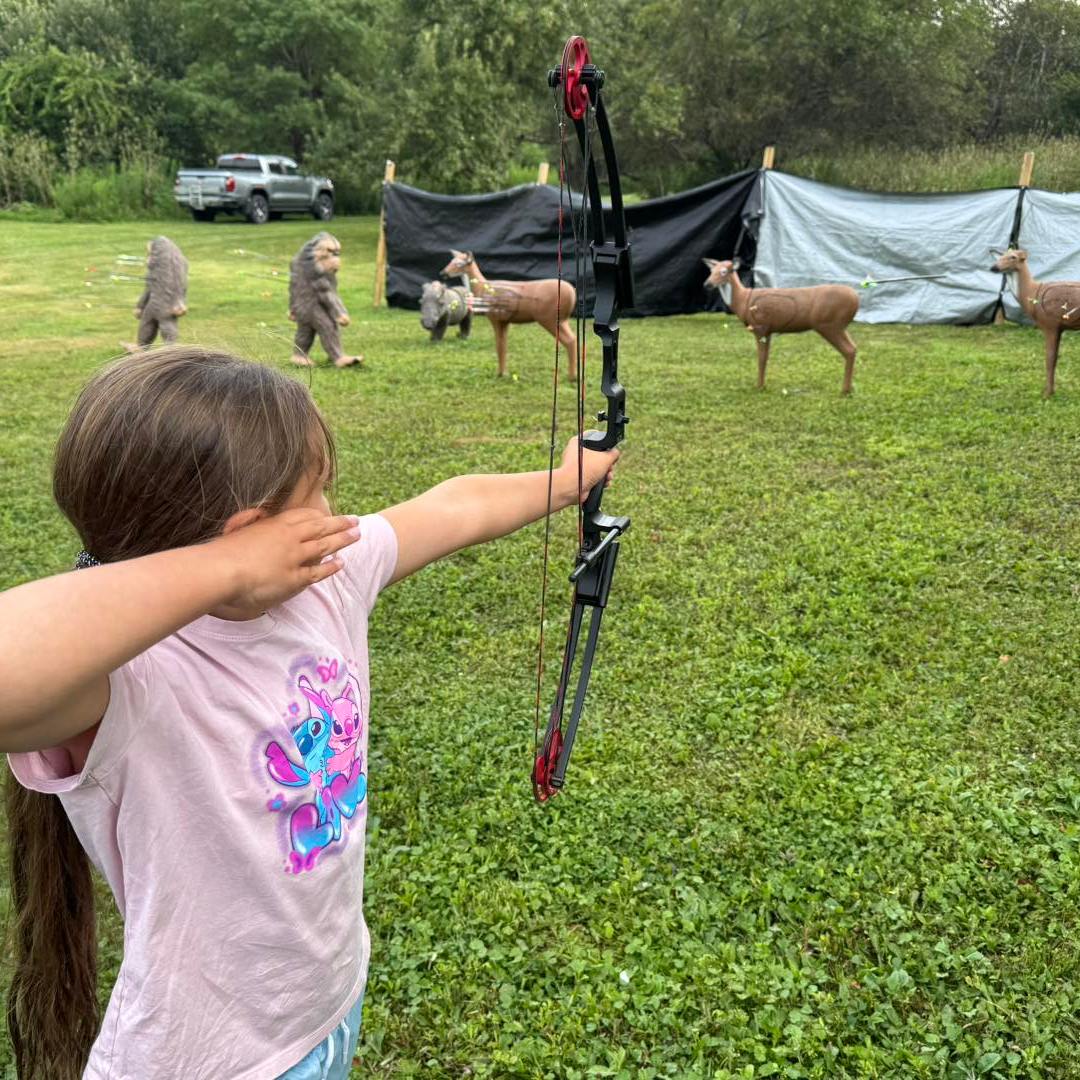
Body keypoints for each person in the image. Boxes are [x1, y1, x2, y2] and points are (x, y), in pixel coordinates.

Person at [0, 346, 619, 1080]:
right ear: (248, 532)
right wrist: (224, 573)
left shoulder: (330, 579)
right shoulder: (130, 678)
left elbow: (452, 508)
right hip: (211, 1060)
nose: (335, 511)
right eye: (319, 493)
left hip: (324, 1004)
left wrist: (563, 481)